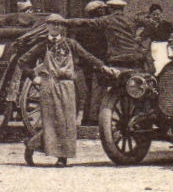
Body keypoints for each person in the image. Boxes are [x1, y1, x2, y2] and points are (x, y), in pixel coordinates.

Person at [23, 14, 115, 167]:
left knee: (66, 121)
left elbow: (87, 56)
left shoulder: (71, 44)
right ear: (47, 26)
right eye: (53, 24)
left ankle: (62, 158)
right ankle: (33, 145)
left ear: (62, 27)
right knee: (51, 121)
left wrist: (102, 66)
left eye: (59, 25)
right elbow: (23, 62)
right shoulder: (42, 45)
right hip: (49, 85)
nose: (56, 27)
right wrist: (34, 76)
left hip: (67, 86)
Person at [143, 4, 173, 74]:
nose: (156, 16)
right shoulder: (149, 26)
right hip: (154, 47)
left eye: (158, 14)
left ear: (161, 14)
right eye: (154, 15)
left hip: (165, 47)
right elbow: (143, 36)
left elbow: (171, 36)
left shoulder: (167, 24)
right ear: (150, 15)